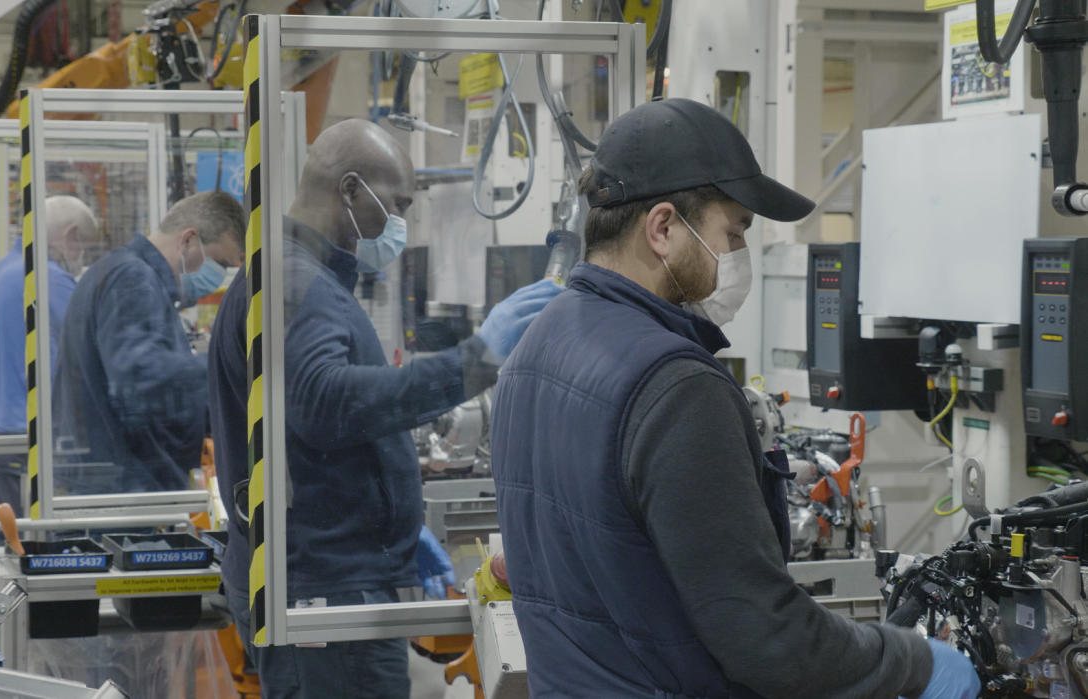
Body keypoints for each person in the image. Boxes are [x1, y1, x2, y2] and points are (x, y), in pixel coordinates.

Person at [490, 98, 981, 699]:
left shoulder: (533, 346)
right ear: (664, 228)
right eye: (734, 231)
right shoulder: (676, 385)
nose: (738, 255)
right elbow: (768, 638)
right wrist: (913, 661)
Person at [208, 118, 560, 698]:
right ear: (349, 191)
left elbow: (308, 424)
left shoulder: (286, 275)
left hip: (323, 567)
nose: (402, 221)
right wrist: (475, 359)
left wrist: (391, 528)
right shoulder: (297, 283)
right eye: (397, 203)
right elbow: (327, 402)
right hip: (321, 587)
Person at [53, 190, 244, 494]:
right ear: (188, 240)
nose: (219, 275)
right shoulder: (132, 280)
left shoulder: (123, 273)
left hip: (112, 481)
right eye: (219, 262)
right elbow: (143, 382)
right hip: (121, 490)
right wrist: (226, 370)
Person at [0, 195, 98, 514]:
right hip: (41, 439)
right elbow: (92, 347)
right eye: (83, 245)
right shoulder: (48, 279)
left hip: (0, 436)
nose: (81, 257)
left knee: (9, 543)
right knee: (49, 549)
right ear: (69, 235)